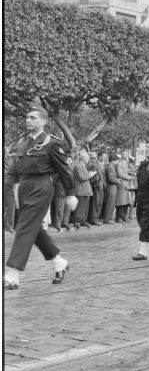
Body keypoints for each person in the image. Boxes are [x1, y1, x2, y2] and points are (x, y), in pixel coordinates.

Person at [4, 107, 77, 290]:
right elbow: (13, 170)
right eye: (27, 117)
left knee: (24, 227)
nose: (28, 120)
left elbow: (65, 170)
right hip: (23, 187)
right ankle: (59, 262)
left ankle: (12, 274)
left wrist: (70, 193)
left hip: (41, 186)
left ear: (44, 121)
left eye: (32, 117)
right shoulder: (23, 143)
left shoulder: (51, 143)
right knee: (33, 228)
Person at [73, 149, 95, 229]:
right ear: (82, 158)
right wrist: (90, 175)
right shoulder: (78, 166)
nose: (88, 160)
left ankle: (83, 220)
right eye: (87, 158)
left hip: (86, 190)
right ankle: (77, 221)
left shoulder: (84, 166)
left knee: (86, 207)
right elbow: (82, 178)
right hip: (81, 189)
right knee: (80, 206)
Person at [87, 151, 105, 226]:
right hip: (96, 187)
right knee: (95, 204)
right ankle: (93, 219)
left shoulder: (97, 164)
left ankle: (96, 218)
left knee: (99, 203)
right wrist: (97, 185)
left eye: (95, 158)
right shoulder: (92, 165)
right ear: (90, 158)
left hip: (101, 186)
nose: (94, 159)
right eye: (93, 158)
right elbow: (92, 178)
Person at [115, 150, 133, 223]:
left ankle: (124, 216)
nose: (126, 155)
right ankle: (118, 217)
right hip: (122, 183)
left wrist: (131, 168)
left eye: (127, 154)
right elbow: (119, 174)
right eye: (124, 154)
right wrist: (129, 177)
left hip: (127, 184)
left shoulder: (127, 163)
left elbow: (131, 170)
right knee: (121, 201)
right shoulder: (119, 163)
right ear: (121, 155)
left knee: (127, 201)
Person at [103, 154, 120, 223]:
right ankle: (107, 219)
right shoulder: (110, 167)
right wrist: (117, 181)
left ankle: (109, 218)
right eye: (116, 161)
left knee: (112, 203)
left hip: (113, 186)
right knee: (110, 203)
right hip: (111, 186)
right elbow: (111, 179)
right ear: (113, 160)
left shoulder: (111, 166)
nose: (117, 162)